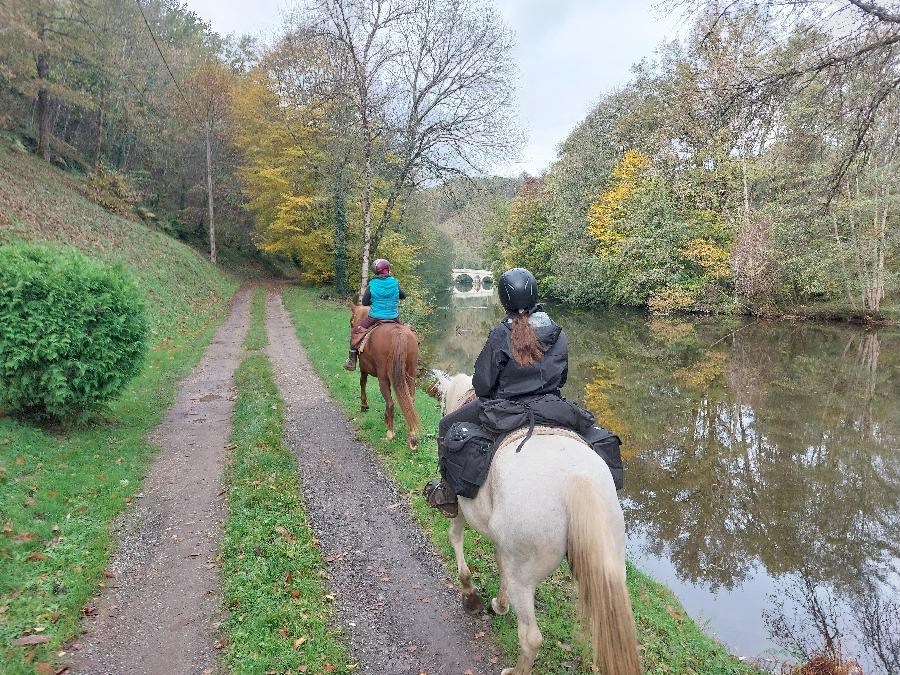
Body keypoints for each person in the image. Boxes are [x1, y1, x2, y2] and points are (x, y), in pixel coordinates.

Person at [424, 267, 569, 517]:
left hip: (506, 410)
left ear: (504, 301)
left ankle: (447, 493)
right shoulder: (558, 333)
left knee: (447, 424)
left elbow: (482, 385)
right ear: (535, 295)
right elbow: (562, 377)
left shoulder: (502, 334)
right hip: (552, 407)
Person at [344, 258, 406, 371]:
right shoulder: (394, 282)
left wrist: (376, 300)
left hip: (375, 317)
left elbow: (365, 302)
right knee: (406, 334)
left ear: (376, 271)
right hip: (393, 317)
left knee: (355, 330)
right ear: (388, 270)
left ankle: (352, 361)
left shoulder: (372, 284)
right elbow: (403, 296)